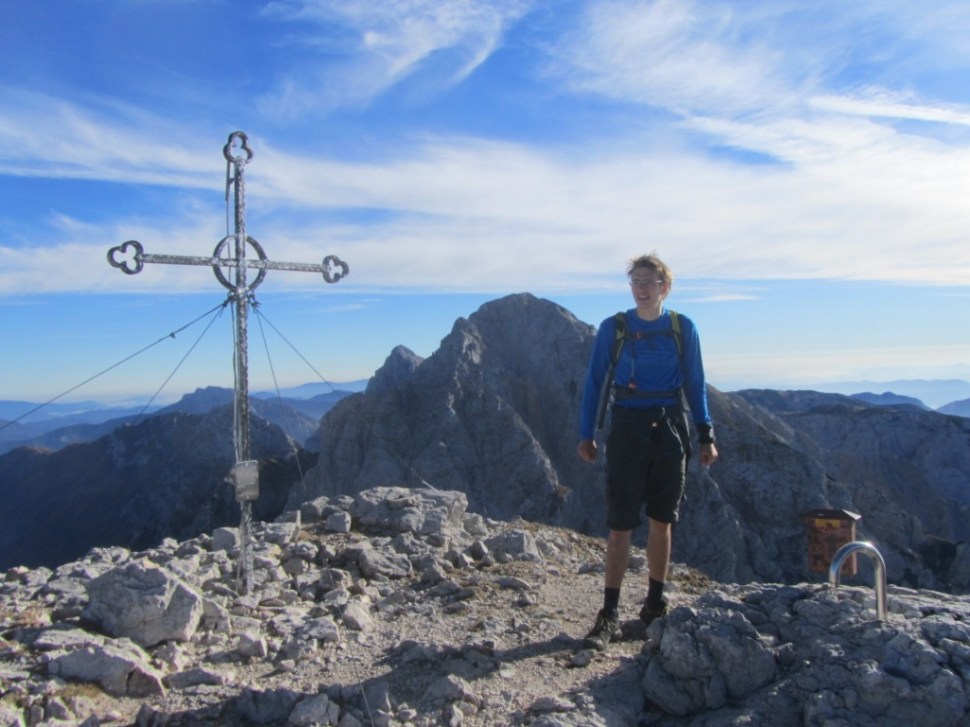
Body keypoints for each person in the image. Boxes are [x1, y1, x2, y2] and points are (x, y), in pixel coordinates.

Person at [577, 253, 718, 650]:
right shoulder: (615, 328)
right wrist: (586, 434)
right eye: (635, 282)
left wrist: (706, 434)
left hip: (671, 426)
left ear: (664, 287)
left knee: (662, 520)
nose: (640, 289)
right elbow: (594, 381)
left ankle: (654, 606)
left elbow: (695, 382)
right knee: (620, 524)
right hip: (627, 426)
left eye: (648, 282)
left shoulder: (683, 328)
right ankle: (609, 613)